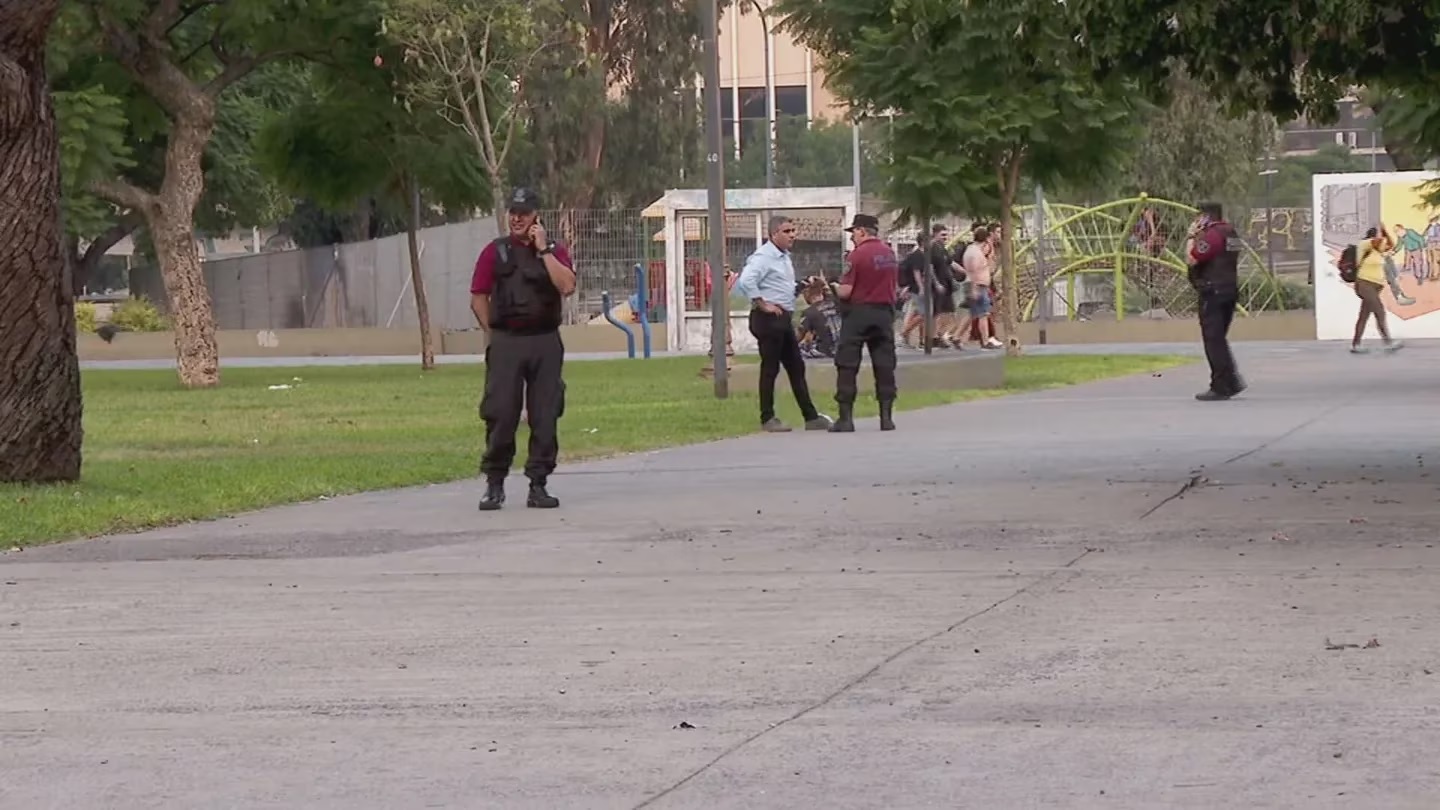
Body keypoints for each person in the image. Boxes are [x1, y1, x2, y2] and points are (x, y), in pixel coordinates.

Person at [470, 187, 577, 510]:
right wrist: (494, 334)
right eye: (513, 213)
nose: (517, 219)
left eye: (524, 213)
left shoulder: (555, 250)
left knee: (545, 413)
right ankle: (494, 483)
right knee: (501, 411)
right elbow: (478, 297)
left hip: (545, 340)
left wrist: (543, 250)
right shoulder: (495, 252)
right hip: (507, 341)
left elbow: (567, 286)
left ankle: (538, 484)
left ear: (535, 216)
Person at [734, 215, 833, 433]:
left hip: (783, 318)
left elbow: (782, 288)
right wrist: (763, 304)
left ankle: (811, 417)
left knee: (796, 366)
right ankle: (767, 417)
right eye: (786, 231)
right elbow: (746, 280)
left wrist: (805, 285)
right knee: (770, 368)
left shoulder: (783, 257)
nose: (792, 235)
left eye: (793, 231)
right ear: (773, 234)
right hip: (768, 320)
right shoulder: (763, 257)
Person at [830, 213, 899, 432]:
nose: (852, 237)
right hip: (884, 314)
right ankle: (886, 418)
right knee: (885, 364)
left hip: (858, 314)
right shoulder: (890, 254)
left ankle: (845, 419)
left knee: (847, 364)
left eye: (854, 232)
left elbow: (846, 291)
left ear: (861, 231)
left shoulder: (856, 256)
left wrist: (833, 287)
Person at [1185, 202, 1245, 401]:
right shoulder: (1231, 232)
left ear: (1205, 217)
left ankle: (1220, 385)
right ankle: (1231, 381)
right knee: (1219, 338)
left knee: (1213, 340)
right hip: (1229, 288)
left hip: (1212, 291)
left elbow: (1192, 258)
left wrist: (1191, 237)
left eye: (1198, 217)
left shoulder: (1212, 235)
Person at [1350, 226, 1404, 354]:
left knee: (1364, 315)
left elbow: (1390, 244)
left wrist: (1384, 230)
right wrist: (1382, 232)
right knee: (1379, 311)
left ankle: (1356, 344)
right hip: (1365, 284)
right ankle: (1388, 341)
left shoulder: (1380, 252)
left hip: (1375, 286)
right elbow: (1379, 242)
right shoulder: (1365, 246)